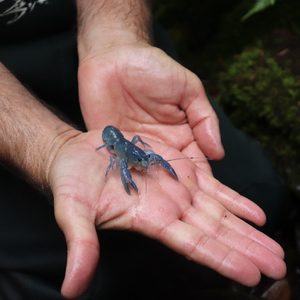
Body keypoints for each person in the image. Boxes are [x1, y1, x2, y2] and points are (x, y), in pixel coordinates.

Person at [0, 0, 287, 299]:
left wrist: (116, 38)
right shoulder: (118, 154)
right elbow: (117, 164)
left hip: (110, 69)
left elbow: (146, 154)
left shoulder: (139, 152)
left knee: (260, 192)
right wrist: (51, 148)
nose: (144, 162)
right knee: (76, 279)